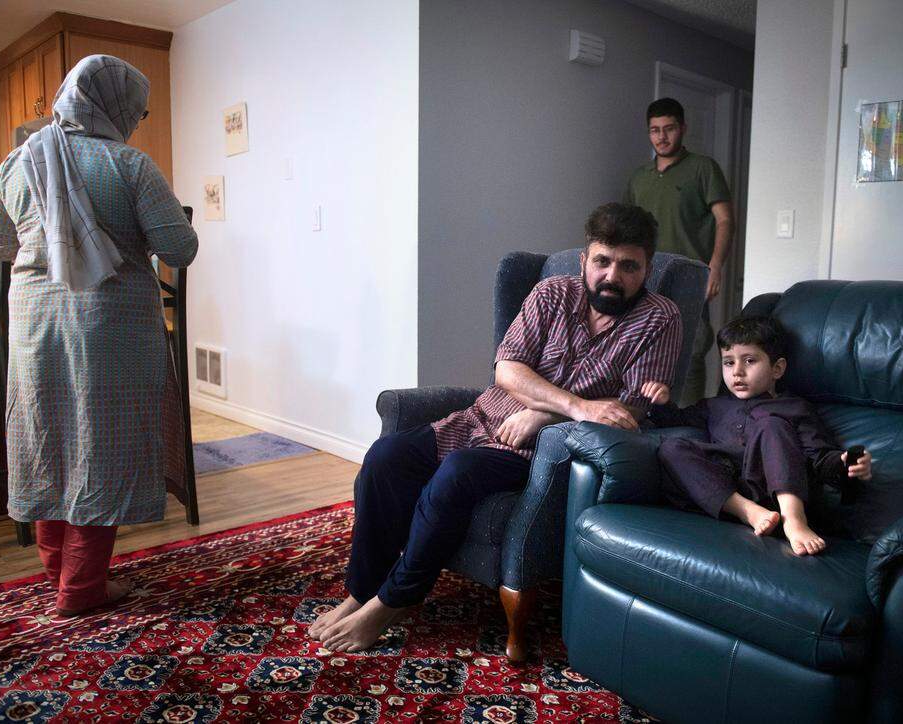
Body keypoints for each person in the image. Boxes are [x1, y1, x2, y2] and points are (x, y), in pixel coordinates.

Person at [309, 202, 683, 651]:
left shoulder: (660, 318)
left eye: (628, 265)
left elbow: (631, 409)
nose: (612, 275)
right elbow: (508, 370)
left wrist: (546, 414)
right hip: (478, 419)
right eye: (602, 261)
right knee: (384, 457)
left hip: (539, 448)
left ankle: (392, 602)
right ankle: (361, 591)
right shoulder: (550, 294)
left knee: (457, 474)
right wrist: (576, 404)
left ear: (647, 268)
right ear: (585, 260)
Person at [0, 55, 198, 616]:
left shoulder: (18, 162)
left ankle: (61, 574)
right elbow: (180, 250)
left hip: (35, 327)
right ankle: (80, 588)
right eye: (138, 108)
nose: (139, 118)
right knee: (102, 445)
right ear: (115, 105)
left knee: (48, 439)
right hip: (110, 331)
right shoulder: (129, 165)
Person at [640, 316, 872, 556]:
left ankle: (793, 519)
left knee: (771, 426)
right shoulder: (713, 405)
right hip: (727, 493)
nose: (737, 372)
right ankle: (747, 511)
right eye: (728, 363)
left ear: (777, 368)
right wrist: (662, 403)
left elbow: (819, 456)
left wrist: (844, 464)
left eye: (749, 361)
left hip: (777, 491)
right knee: (671, 448)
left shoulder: (794, 407)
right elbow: (673, 422)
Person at [625, 97, 735, 403]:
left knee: (693, 347)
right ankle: (647, 416)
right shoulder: (639, 178)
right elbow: (628, 231)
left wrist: (715, 266)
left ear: (682, 129)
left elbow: (725, 220)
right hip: (646, 276)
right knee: (643, 347)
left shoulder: (703, 168)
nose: (662, 137)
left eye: (669, 128)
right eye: (655, 130)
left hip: (691, 275)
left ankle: (688, 418)